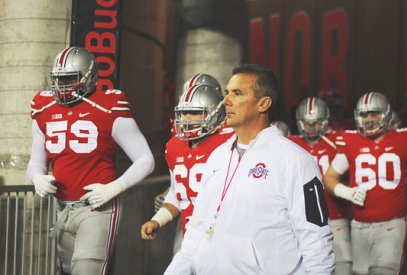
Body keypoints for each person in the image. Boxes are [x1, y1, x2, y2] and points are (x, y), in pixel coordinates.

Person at [164, 64, 335, 274]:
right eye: (227, 92)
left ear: (263, 103)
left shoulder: (296, 161)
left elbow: (316, 241)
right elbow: (196, 231)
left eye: (237, 93)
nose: (226, 100)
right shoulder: (217, 157)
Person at [27, 47, 155, 275]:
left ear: (89, 77)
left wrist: (113, 188)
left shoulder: (108, 106)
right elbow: (36, 160)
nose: (62, 85)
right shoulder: (44, 109)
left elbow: (145, 159)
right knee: (67, 271)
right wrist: (36, 177)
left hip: (97, 208)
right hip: (62, 208)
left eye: (70, 79)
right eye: (58, 79)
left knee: (87, 270)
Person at [324, 91, 407, 275]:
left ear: (386, 114)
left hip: (392, 222)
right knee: (361, 272)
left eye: (374, 113)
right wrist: (347, 192)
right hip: (359, 223)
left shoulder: (403, 139)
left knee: (384, 271)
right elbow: (329, 177)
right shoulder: (349, 141)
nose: (369, 119)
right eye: (364, 114)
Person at [140, 75, 233, 256]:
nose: (187, 118)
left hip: (223, 236)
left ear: (215, 112)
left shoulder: (232, 142)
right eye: (183, 112)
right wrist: (157, 220)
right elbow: (177, 193)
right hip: (190, 234)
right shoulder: (175, 145)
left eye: (195, 112)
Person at [290, 96, 352, 275]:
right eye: (306, 123)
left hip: (335, 215)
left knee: (343, 266)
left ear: (325, 121)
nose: (311, 127)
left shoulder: (337, 142)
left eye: (316, 122)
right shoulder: (290, 143)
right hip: (300, 219)